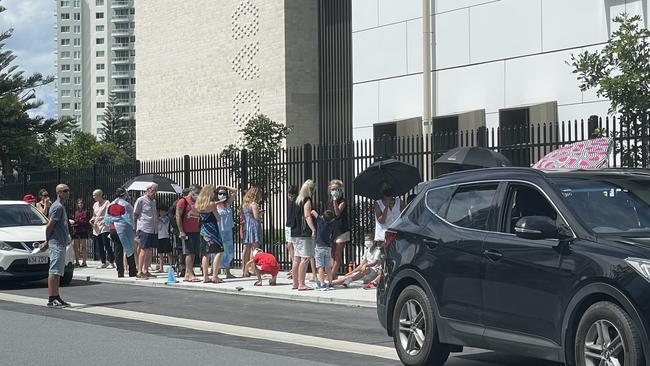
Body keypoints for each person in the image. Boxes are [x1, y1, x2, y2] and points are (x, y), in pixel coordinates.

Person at [38, 184, 71, 307]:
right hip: (56, 242)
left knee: (58, 271)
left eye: (68, 190)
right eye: (65, 191)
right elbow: (49, 226)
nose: (68, 192)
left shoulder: (59, 206)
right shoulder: (57, 207)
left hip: (60, 242)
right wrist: (47, 241)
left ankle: (57, 296)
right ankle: (51, 299)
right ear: (59, 193)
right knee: (54, 271)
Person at [194, 184, 225, 283]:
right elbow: (218, 218)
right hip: (212, 230)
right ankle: (215, 276)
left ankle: (205, 276)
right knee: (219, 251)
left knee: (205, 253)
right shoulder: (212, 204)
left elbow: (194, 214)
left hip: (203, 230)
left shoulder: (199, 204)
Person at [290, 180, 317, 291]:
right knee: (305, 258)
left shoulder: (297, 200)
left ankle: (295, 283)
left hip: (295, 232)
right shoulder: (307, 200)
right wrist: (313, 229)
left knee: (296, 258)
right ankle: (301, 283)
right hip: (303, 233)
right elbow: (307, 216)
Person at [105, 187, 137, 278]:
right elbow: (131, 218)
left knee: (117, 250)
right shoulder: (126, 205)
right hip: (124, 229)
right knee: (129, 249)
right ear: (124, 195)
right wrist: (134, 229)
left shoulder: (110, 205)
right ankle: (132, 271)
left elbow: (106, 219)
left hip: (113, 229)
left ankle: (120, 272)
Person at [176, 184, 202, 282]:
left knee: (194, 252)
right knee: (189, 252)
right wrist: (181, 231)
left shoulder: (197, 201)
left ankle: (188, 273)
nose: (198, 195)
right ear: (191, 191)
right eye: (197, 193)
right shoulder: (183, 201)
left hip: (196, 230)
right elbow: (178, 216)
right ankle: (190, 274)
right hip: (187, 230)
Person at [134, 183, 158, 279]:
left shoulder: (153, 201)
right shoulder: (141, 200)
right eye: (153, 191)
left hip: (153, 228)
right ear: (148, 190)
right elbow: (135, 214)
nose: (154, 193)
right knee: (143, 249)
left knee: (149, 250)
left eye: (155, 191)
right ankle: (139, 271)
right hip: (144, 227)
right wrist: (136, 227)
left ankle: (146, 269)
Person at [327, 179, 349, 280]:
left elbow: (337, 213)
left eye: (336, 189)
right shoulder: (329, 200)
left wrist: (335, 200)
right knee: (332, 253)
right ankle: (333, 275)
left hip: (342, 229)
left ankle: (330, 277)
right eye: (332, 189)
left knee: (337, 254)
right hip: (332, 229)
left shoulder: (342, 201)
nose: (334, 191)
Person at [215, 185, 237, 279]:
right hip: (219, 231)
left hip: (228, 231)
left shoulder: (227, 204)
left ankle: (227, 272)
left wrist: (224, 187)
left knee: (229, 252)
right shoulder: (215, 205)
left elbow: (235, 191)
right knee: (218, 252)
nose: (222, 195)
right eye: (220, 193)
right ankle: (215, 272)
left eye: (224, 193)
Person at [241, 186, 263, 277]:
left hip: (247, 226)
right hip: (254, 226)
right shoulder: (254, 204)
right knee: (255, 249)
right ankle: (253, 268)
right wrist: (261, 213)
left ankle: (244, 269)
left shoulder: (244, 204)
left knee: (246, 249)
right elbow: (256, 217)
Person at [91, 189, 114, 269]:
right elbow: (94, 215)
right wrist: (92, 219)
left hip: (105, 226)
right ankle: (103, 262)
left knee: (106, 244)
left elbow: (110, 214)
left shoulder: (107, 203)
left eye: (95, 195)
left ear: (100, 195)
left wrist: (103, 219)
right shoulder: (95, 204)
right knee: (99, 245)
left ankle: (111, 261)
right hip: (97, 226)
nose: (93, 197)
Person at [312, 209, 335, 290]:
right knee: (328, 267)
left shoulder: (320, 221)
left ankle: (322, 283)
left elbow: (313, 212)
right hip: (328, 247)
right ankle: (330, 283)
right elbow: (332, 219)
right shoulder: (331, 224)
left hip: (319, 247)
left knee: (320, 266)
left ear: (323, 217)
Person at [70, 198, 90, 268]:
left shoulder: (85, 212)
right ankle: (77, 261)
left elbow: (85, 222)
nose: (80, 204)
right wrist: (76, 222)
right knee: (76, 247)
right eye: (79, 203)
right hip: (76, 230)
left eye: (81, 203)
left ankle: (84, 262)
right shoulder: (76, 212)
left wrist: (76, 222)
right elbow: (77, 220)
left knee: (84, 247)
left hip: (83, 230)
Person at [284, 185, 299, 279]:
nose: (290, 197)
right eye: (289, 195)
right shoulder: (290, 202)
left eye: (292, 195)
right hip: (288, 225)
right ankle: (293, 267)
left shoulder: (297, 202)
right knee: (289, 246)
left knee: (293, 246)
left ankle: (295, 268)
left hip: (293, 225)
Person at [157, 207, 173, 273]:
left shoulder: (167, 219)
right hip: (159, 237)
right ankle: (161, 267)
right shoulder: (157, 219)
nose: (161, 213)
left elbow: (164, 222)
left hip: (165, 237)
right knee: (160, 253)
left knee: (168, 252)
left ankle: (171, 266)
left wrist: (159, 219)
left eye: (163, 211)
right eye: (160, 211)